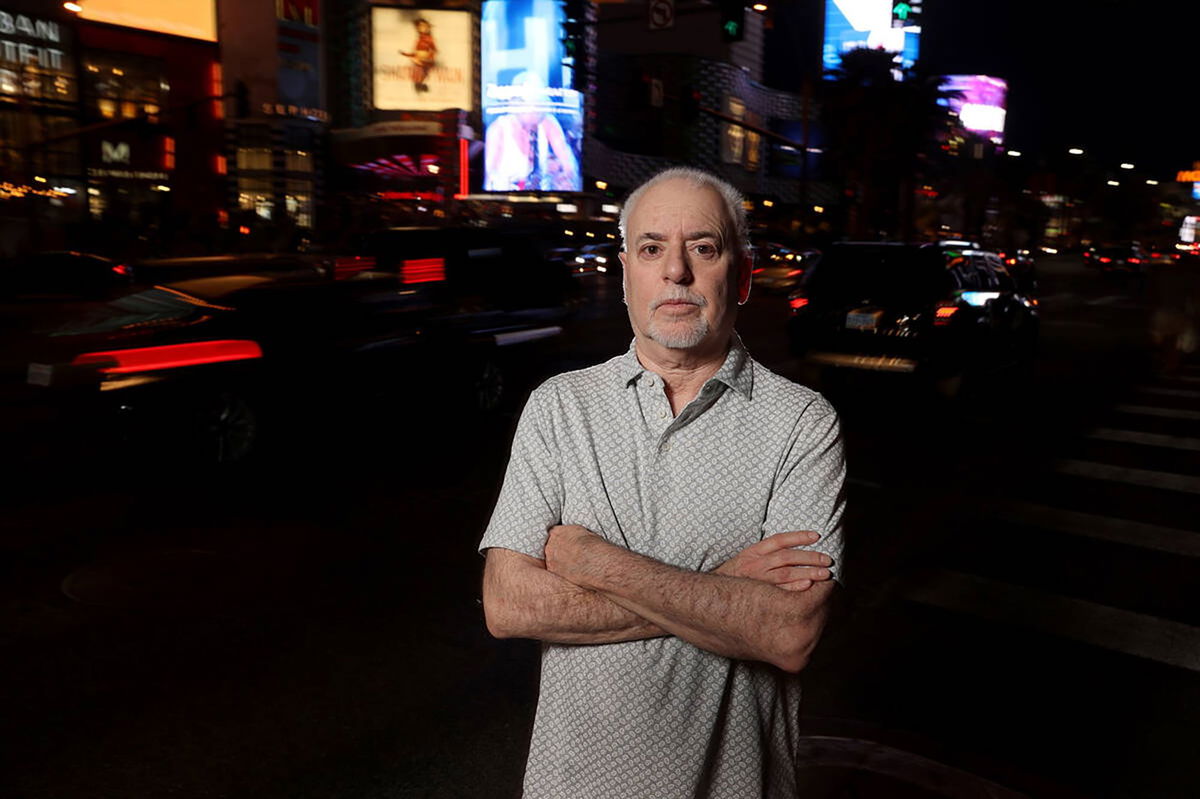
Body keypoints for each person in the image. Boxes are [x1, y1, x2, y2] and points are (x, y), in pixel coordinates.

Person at [479, 167, 846, 798]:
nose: (676, 271)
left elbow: (789, 633)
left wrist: (590, 559)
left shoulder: (802, 423)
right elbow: (510, 605)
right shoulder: (560, 407)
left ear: (744, 275)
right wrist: (728, 593)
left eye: (703, 249)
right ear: (626, 274)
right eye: (651, 249)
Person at [484, 71, 579, 191]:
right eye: (532, 104)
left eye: (539, 103)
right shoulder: (498, 130)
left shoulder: (547, 122)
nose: (537, 110)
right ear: (516, 104)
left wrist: (562, 178)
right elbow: (488, 179)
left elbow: (568, 164)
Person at [400, 18, 436, 93]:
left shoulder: (429, 39)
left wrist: (426, 59)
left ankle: (422, 89)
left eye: (424, 26)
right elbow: (415, 53)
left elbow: (433, 51)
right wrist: (406, 54)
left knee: (419, 78)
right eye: (420, 26)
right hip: (418, 62)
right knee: (416, 79)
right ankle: (420, 89)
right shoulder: (419, 39)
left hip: (424, 62)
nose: (422, 28)